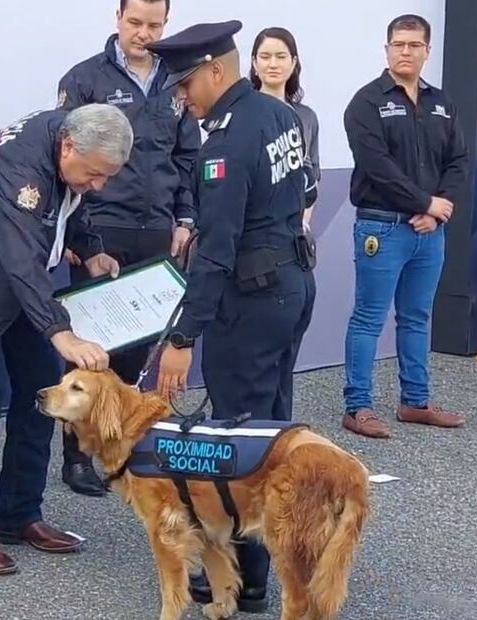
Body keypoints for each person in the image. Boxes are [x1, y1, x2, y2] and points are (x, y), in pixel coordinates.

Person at [0, 103, 132, 576]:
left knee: (42, 392)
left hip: (17, 289)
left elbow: (69, 205)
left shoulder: (71, 143)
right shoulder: (20, 166)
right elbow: (20, 260)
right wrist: (62, 334)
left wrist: (92, 251)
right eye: (95, 174)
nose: (99, 185)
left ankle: (20, 515)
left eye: (107, 177)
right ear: (69, 146)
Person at [150, 20, 317, 614]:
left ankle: (246, 579)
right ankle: (266, 563)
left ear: (215, 71)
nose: (182, 96)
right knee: (273, 431)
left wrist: (182, 335)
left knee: (239, 440)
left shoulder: (225, 143)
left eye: (186, 83)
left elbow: (216, 251)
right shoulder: (278, 115)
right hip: (290, 287)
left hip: (249, 303)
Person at [54, 0, 200, 497]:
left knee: (139, 347)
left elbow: (188, 158)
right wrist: (78, 235)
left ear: (167, 23)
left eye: (153, 25)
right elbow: (66, 159)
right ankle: (77, 454)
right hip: (102, 229)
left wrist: (185, 218)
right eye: (135, 22)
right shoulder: (84, 78)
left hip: (157, 230)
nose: (143, 33)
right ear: (117, 19)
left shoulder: (178, 81)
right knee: (91, 350)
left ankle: (118, 444)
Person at [340, 14, 469, 439]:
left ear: (427, 51)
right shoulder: (366, 103)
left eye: (415, 45)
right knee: (368, 319)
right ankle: (358, 407)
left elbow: (458, 161)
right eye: (398, 44)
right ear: (387, 49)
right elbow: (378, 167)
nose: (406, 52)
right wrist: (424, 202)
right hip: (383, 228)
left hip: (430, 232)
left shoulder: (442, 103)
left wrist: (437, 209)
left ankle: (415, 402)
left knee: (416, 317)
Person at [250, 27, 321, 233]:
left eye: (281, 56)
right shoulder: (241, 112)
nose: (273, 64)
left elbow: (312, 175)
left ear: (293, 62)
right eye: (265, 57)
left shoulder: (307, 117)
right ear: (255, 63)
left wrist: (303, 223)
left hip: (292, 231)